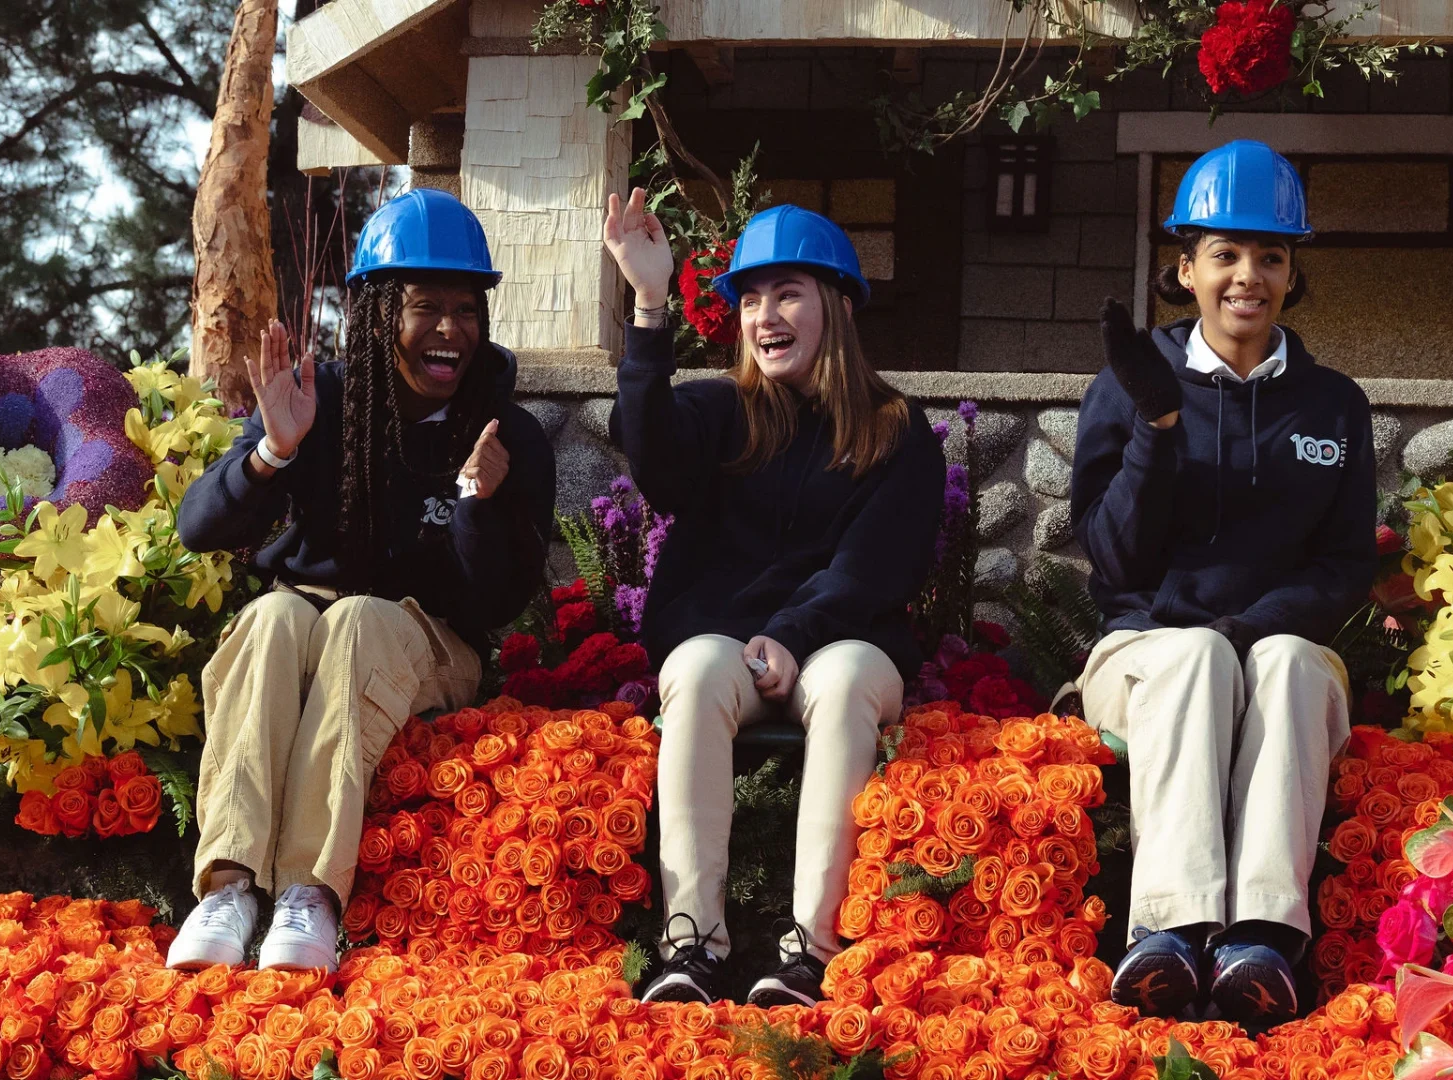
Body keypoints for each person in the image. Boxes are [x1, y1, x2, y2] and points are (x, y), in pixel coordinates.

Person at [164, 189, 556, 972]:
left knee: (357, 623)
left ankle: (311, 893)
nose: (451, 329)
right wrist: (272, 450)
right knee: (274, 620)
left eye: (467, 309)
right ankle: (228, 889)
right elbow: (199, 529)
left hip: (432, 645)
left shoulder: (505, 435)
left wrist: (477, 502)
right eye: (426, 307)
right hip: (307, 622)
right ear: (379, 313)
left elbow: (496, 604)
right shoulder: (322, 399)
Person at [602, 194, 945, 1006]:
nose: (764, 315)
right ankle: (693, 944)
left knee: (849, 673)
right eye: (749, 298)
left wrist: (793, 635)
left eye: (786, 292)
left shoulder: (899, 430)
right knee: (696, 663)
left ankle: (813, 951)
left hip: (843, 641)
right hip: (730, 646)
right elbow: (648, 452)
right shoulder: (720, 411)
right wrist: (651, 306)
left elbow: (873, 570)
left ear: (837, 303)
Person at [1070, 140, 1374, 1025]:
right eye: (1226, 254)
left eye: (1270, 255)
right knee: (1198, 654)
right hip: (1146, 654)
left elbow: (1346, 563)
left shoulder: (1334, 406)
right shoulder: (1129, 383)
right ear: (1186, 268)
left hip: (1277, 656)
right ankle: (1166, 935)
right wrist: (1158, 425)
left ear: (1291, 272)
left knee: (1281, 661)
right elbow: (1115, 562)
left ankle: (1263, 944)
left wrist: (1257, 627)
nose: (1249, 275)